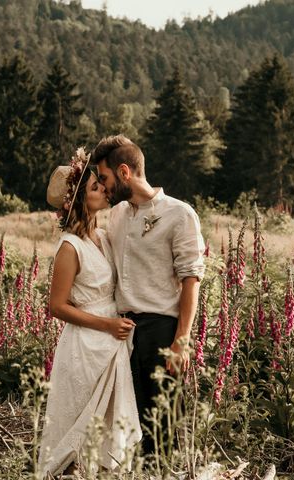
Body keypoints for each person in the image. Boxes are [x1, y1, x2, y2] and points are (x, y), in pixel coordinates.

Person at [93, 135, 205, 455]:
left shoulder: (180, 214)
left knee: (163, 428)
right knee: (128, 427)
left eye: (105, 178)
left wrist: (180, 343)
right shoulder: (116, 216)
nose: (104, 187)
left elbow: (191, 279)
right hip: (120, 333)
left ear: (125, 172)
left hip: (161, 332)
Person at [38, 147, 141, 478]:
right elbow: (57, 306)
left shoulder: (102, 237)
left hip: (111, 344)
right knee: (78, 433)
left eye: (100, 184)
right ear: (78, 200)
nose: (103, 191)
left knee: (109, 430)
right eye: (95, 188)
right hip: (84, 347)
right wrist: (107, 324)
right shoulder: (70, 247)